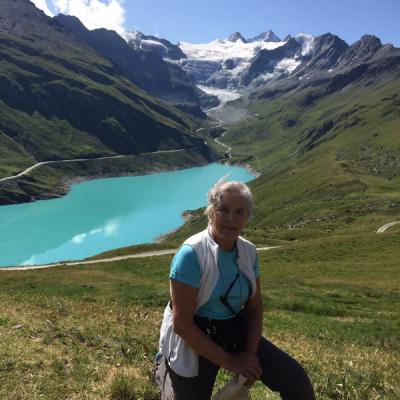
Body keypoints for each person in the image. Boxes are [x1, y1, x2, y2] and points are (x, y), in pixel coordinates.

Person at [156, 180, 315, 400]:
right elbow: (182, 324)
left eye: (239, 212)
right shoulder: (191, 254)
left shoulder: (248, 251)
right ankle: (164, 369)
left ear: (247, 216)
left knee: (295, 379)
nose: (230, 218)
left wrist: (250, 357)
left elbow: (254, 309)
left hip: (233, 327)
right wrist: (231, 362)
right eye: (223, 209)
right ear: (211, 212)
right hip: (194, 333)